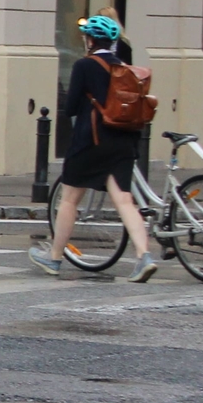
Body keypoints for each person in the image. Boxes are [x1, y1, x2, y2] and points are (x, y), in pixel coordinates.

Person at [31, 14, 157, 282]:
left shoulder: (84, 66)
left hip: (92, 141)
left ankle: (54, 258)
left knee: (69, 199)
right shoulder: (123, 67)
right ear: (112, 41)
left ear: (89, 40)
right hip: (124, 141)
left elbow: (72, 106)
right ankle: (144, 255)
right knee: (124, 200)